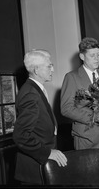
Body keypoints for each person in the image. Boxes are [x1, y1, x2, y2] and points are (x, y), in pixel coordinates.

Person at [60, 37, 99, 184]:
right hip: (86, 138)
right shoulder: (71, 77)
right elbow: (66, 109)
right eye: (92, 55)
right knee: (89, 180)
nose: (97, 59)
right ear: (82, 56)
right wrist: (95, 116)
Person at [13, 49, 67, 185]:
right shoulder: (30, 93)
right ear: (36, 70)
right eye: (49, 66)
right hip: (35, 166)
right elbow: (20, 136)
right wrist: (47, 153)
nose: (53, 69)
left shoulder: (35, 89)